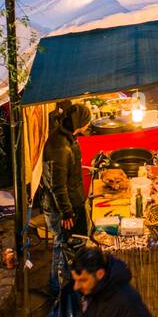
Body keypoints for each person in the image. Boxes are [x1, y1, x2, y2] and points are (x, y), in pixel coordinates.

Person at [38, 102, 93, 291]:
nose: (87, 126)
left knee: (65, 245)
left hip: (66, 204)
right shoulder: (59, 147)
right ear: (79, 123)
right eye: (86, 122)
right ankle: (59, 289)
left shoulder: (67, 137)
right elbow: (57, 185)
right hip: (58, 208)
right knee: (63, 245)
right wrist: (67, 212)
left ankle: (63, 285)